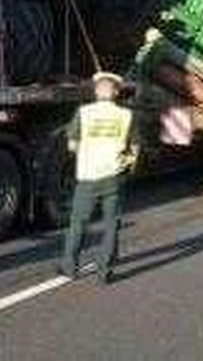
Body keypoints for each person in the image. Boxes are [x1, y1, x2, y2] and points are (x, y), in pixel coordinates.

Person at [59, 71, 136, 284]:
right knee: (111, 224)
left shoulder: (83, 113)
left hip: (87, 176)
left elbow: (72, 145)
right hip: (114, 176)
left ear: (96, 92)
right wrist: (128, 164)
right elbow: (135, 147)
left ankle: (70, 267)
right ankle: (104, 272)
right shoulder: (126, 115)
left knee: (78, 223)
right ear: (117, 93)